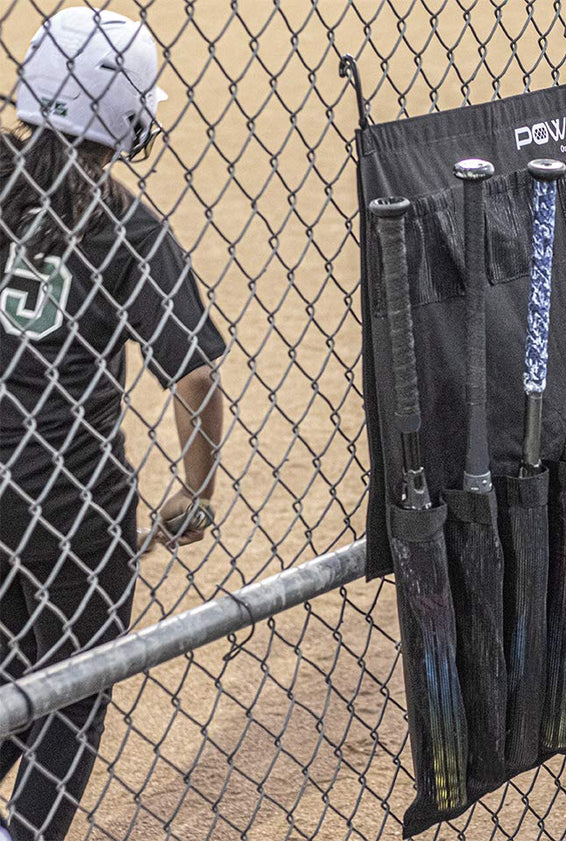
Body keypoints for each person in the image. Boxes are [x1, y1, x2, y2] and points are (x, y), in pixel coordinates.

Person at [0, 8, 226, 840]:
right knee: (77, 681)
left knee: (15, 661)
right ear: (130, 117)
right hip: (73, 499)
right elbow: (194, 372)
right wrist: (194, 492)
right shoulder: (128, 225)